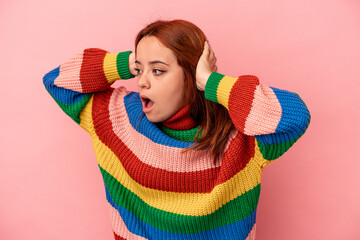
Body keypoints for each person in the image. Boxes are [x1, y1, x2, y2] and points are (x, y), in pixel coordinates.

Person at [43, 19, 311, 240]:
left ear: (191, 76)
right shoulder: (117, 120)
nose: (143, 83)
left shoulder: (240, 139)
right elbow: (57, 81)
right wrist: (125, 62)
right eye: (139, 71)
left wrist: (211, 81)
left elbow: (295, 116)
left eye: (158, 71)